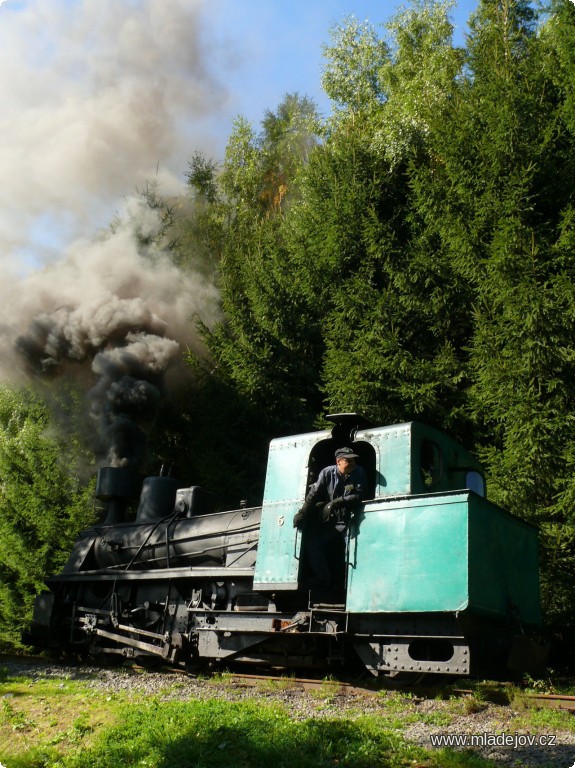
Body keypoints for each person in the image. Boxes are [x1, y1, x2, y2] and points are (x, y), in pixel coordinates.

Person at [293, 447, 367, 590]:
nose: (352, 463)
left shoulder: (359, 472)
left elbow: (360, 495)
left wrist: (335, 503)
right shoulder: (327, 473)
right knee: (313, 544)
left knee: (351, 551)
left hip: (352, 521)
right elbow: (313, 495)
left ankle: (350, 587)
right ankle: (323, 579)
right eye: (348, 460)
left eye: (353, 460)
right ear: (338, 462)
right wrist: (302, 513)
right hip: (332, 522)